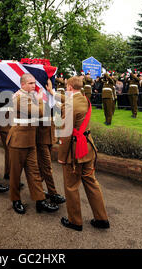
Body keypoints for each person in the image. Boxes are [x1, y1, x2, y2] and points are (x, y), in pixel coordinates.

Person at [46, 77, 109, 231]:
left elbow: (65, 133)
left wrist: (61, 157)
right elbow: (68, 100)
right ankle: (102, 219)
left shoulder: (70, 105)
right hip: (88, 148)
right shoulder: (83, 99)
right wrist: (51, 92)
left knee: (71, 186)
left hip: (75, 151)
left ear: (68, 86)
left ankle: (75, 221)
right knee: (91, 183)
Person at [7, 73, 59, 215]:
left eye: (34, 83)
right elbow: (38, 113)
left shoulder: (29, 96)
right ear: (22, 84)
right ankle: (15, 200)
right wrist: (40, 100)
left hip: (30, 140)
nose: (33, 86)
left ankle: (40, 200)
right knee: (16, 173)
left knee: (34, 172)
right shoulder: (19, 97)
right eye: (30, 83)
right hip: (18, 140)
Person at [36, 103, 66, 205]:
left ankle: (37, 189)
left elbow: (61, 112)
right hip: (40, 138)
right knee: (47, 166)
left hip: (50, 137)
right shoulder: (37, 98)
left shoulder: (52, 98)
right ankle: (53, 193)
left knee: (43, 168)